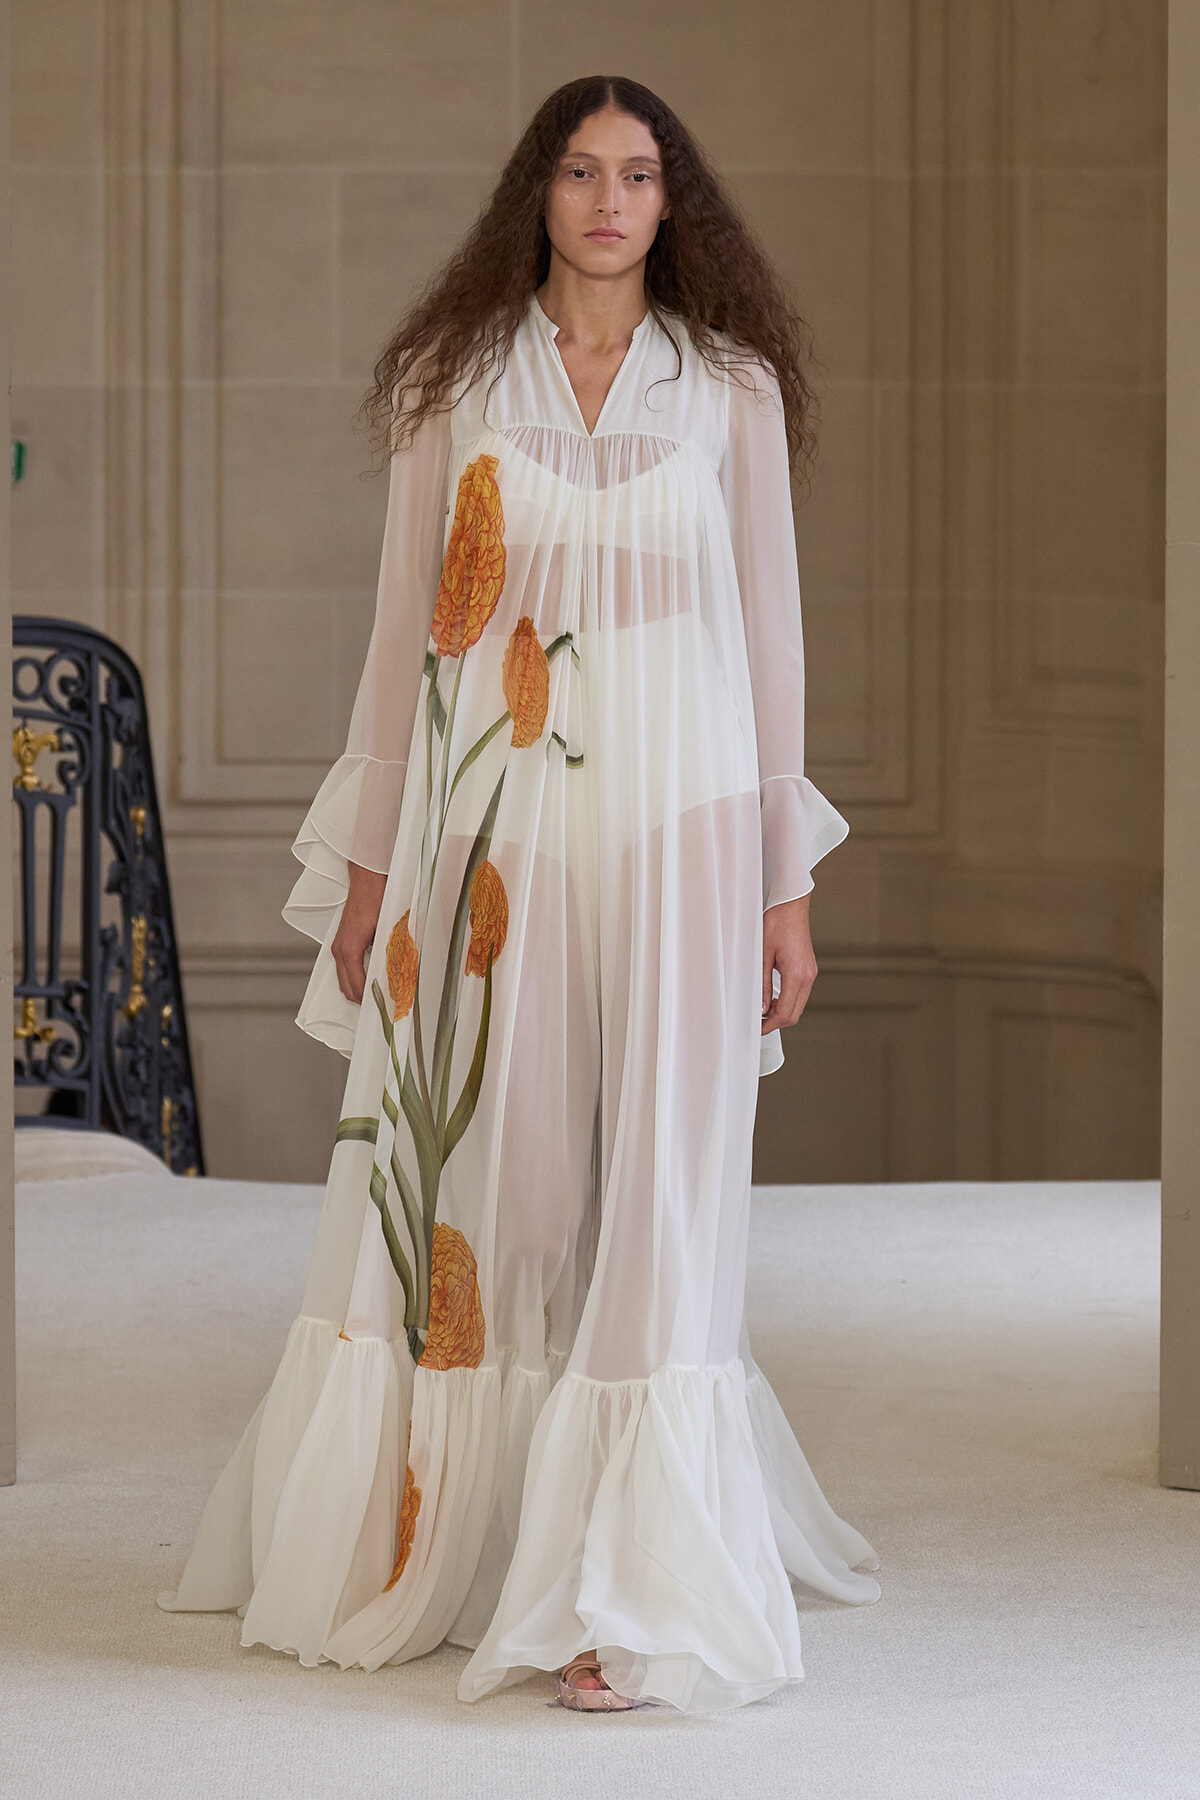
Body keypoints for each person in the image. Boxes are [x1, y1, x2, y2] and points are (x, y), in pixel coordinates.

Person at [159, 73, 880, 1714]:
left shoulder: (734, 389)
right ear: (536, 195)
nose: (609, 201)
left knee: (668, 1200)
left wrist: (786, 890)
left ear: (673, 201)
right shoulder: (456, 381)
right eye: (578, 171)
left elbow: (773, 647)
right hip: (501, 833)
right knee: (514, 1189)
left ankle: (622, 1596)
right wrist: (366, 864)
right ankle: (446, 1528)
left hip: (690, 831)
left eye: (637, 174)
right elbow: (406, 636)